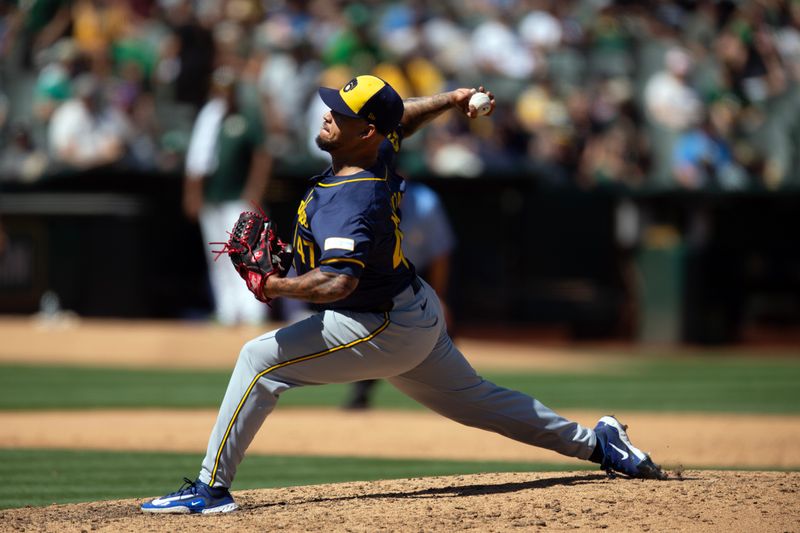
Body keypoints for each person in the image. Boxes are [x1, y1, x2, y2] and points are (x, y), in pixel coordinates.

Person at [141, 74, 665, 515]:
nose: (326, 115)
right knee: (481, 402)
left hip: (379, 322)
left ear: (364, 131)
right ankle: (601, 445)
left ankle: (210, 489)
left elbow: (337, 282)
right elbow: (401, 118)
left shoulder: (355, 198)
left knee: (258, 360)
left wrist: (272, 284)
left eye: (338, 113)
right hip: (409, 312)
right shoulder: (375, 147)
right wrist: (451, 99)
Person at [343, 179, 456, 410]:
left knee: (441, 331)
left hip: (416, 274)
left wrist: (440, 297)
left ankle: (453, 391)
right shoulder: (365, 197)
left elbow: (440, 254)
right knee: (373, 329)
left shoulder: (426, 202)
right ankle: (361, 394)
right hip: (376, 277)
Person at [183, 66, 273, 326]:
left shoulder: (246, 118)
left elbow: (262, 156)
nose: (223, 95)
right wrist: (194, 193)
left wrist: (254, 191)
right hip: (214, 197)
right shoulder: (210, 119)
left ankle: (253, 310)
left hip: (238, 197)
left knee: (246, 253)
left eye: (227, 90)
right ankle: (227, 310)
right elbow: (198, 161)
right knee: (219, 256)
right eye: (218, 90)